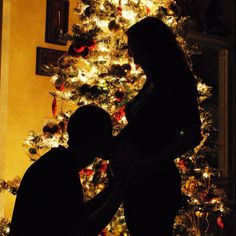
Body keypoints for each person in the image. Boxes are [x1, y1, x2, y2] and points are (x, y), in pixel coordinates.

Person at [110, 17, 202, 236]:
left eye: (138, 52)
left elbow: (192, 135)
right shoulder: (152, 81)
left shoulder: (178, 82)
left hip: (155, 183)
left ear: (153, 48)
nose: (135, 60)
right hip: (136, 181)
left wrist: (148, 164)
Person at [9, 105, 125, 236]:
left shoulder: (58, 164)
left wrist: (111, 190)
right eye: (106, 134)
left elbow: (77, 214)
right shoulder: (58, 172)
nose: (111, 140)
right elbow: (83, 230)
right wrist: (119, 194)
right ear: (92, 138)